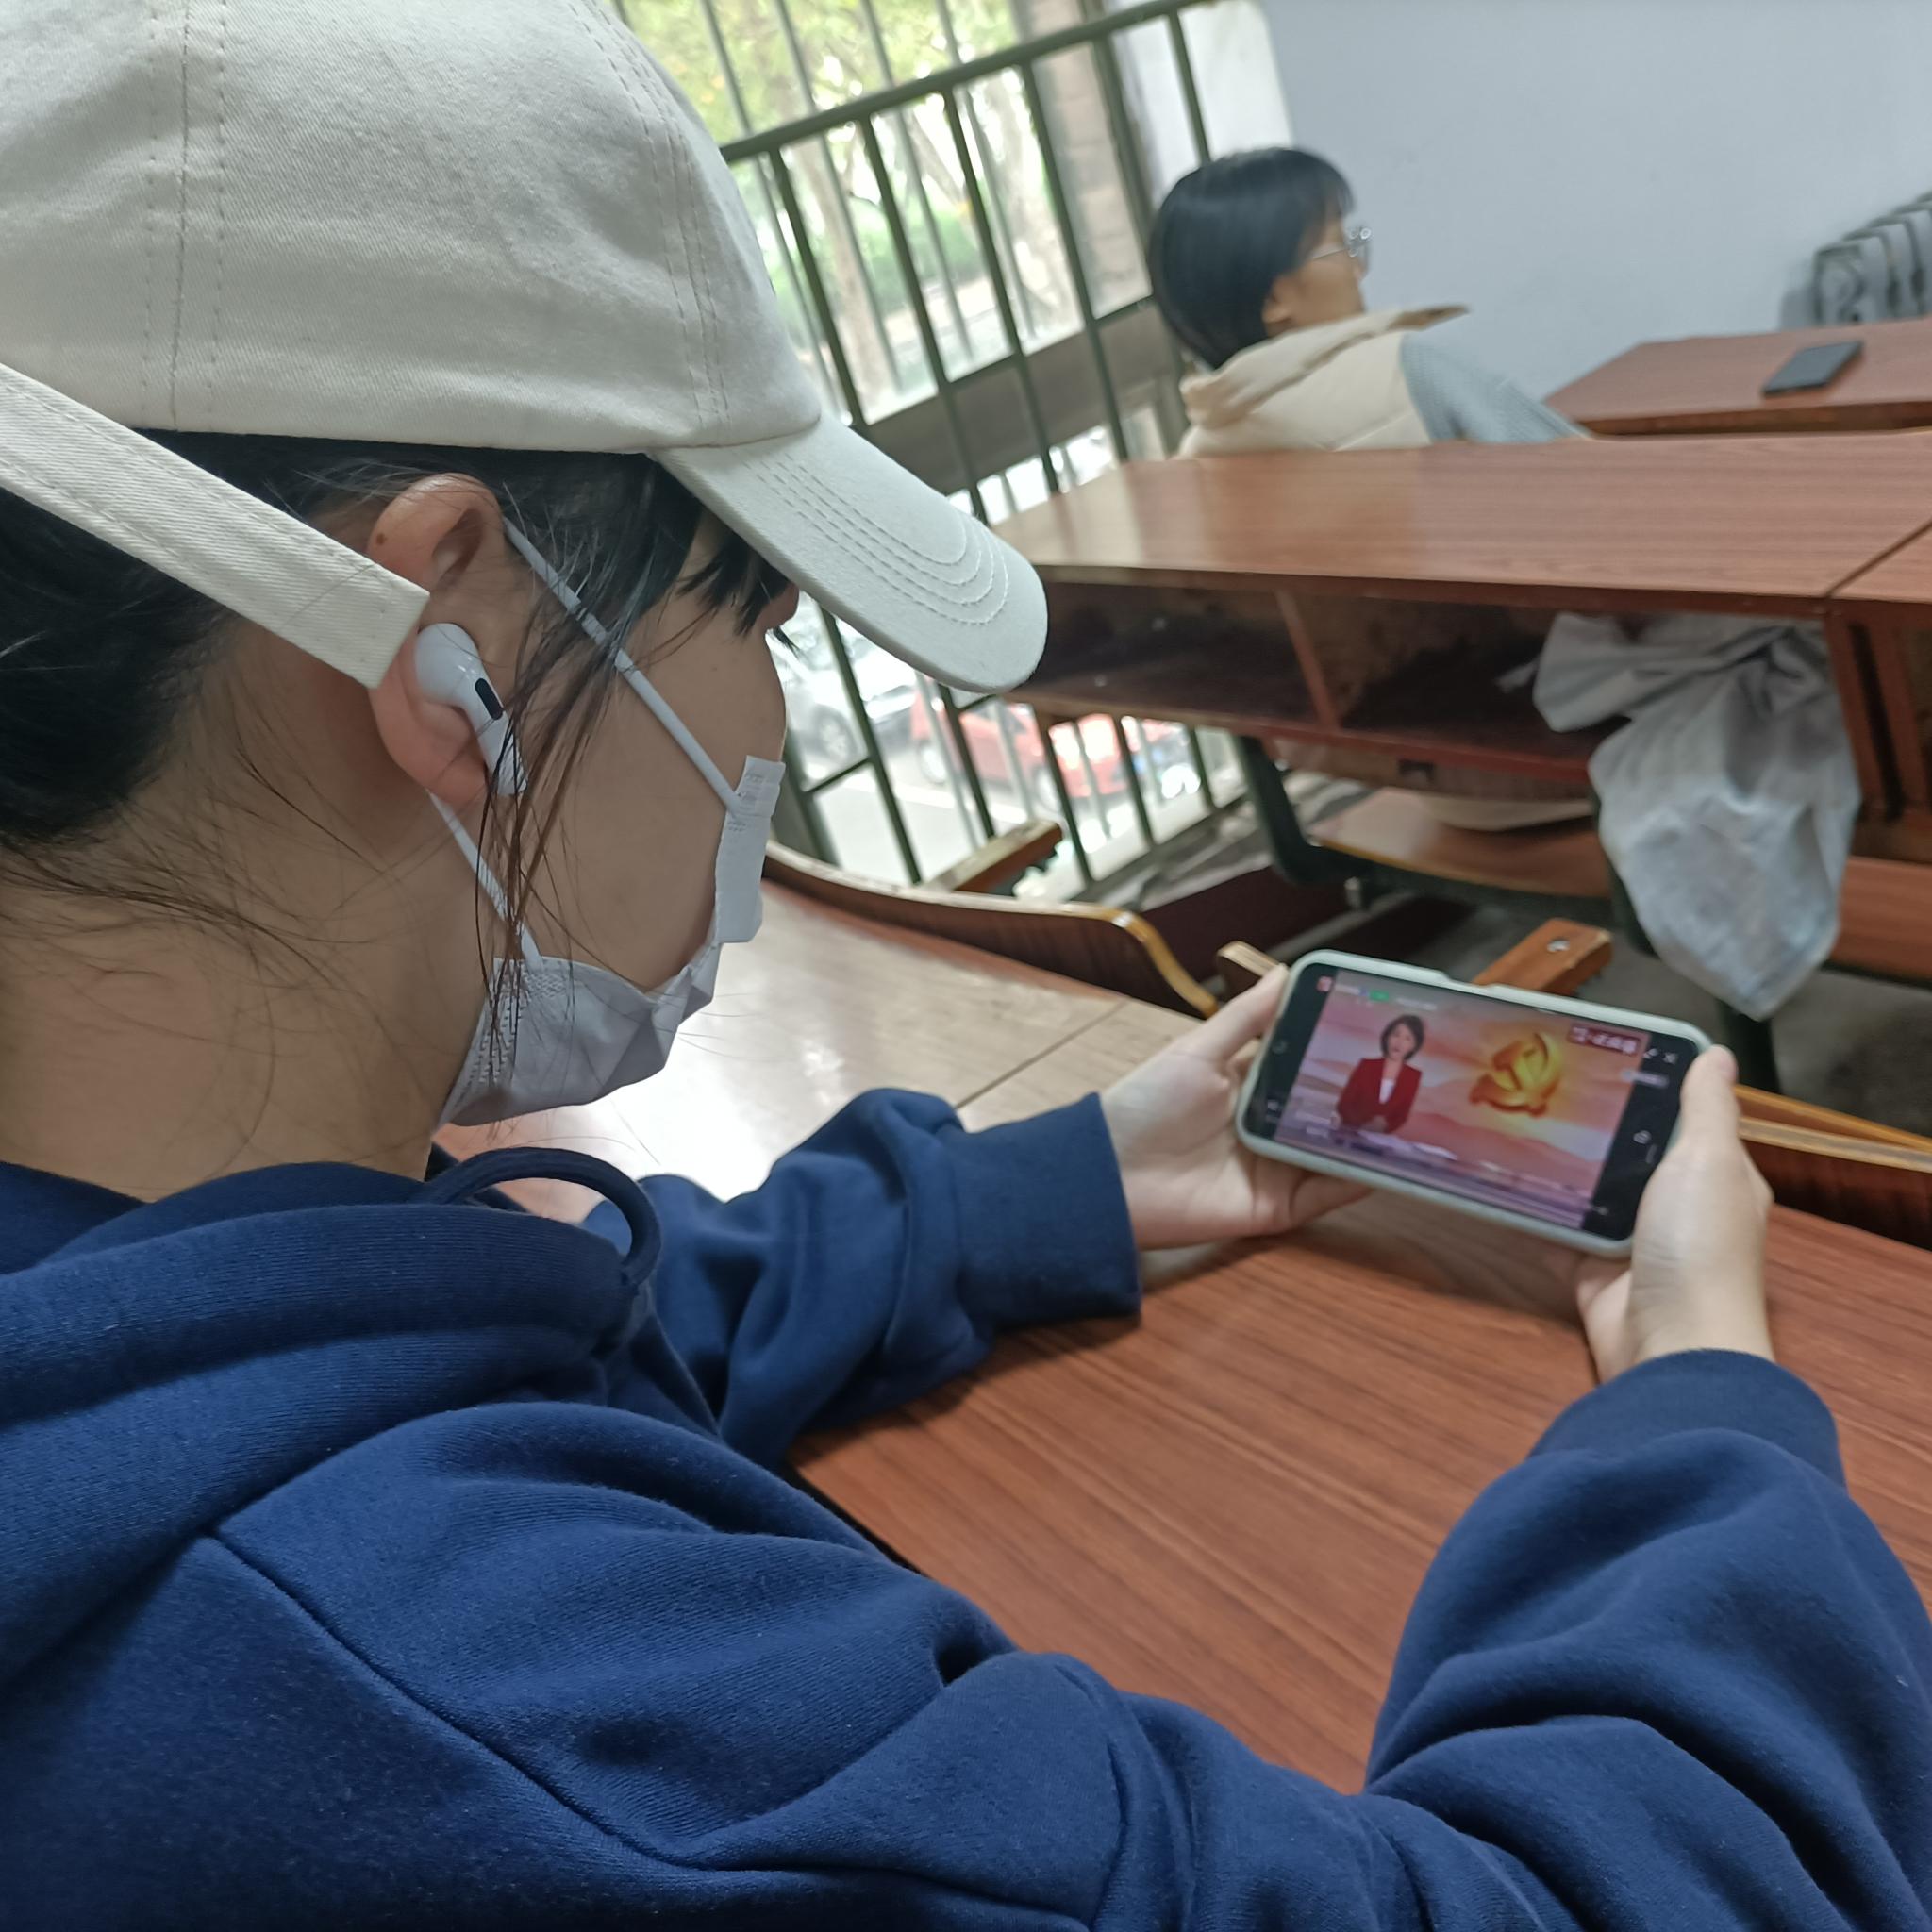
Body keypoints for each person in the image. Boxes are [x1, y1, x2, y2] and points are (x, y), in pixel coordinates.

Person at [2, 7, 1929, 1925]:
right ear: (456, 641)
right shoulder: (537, 1732)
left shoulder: (126, 1283)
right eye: (754, 609)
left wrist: (1057, 1183)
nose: (762, 709)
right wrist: (1698, 1398)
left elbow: (470, 1328)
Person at [1148, 147, 1593, 831]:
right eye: (1340, 248)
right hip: (1575, 749)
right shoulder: (1410, 370)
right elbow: (1609, 505)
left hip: (1412, 779)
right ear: (1275, 298)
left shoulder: (1198, 461)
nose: (1359, 268)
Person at [1337, 1014, 1425, 1135]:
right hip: (1349, 1134)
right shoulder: (1366, 1065)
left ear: (1413, 1046)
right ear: (1387, 1037)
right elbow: (1344, 1104)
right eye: (1396, 1035)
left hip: (1379, 1139)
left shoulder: (1414, 1076)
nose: (1399, 1042)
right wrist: (1362, 1125)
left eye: (1407, 1038)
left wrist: (1385, 1127)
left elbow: (1402, 1115)